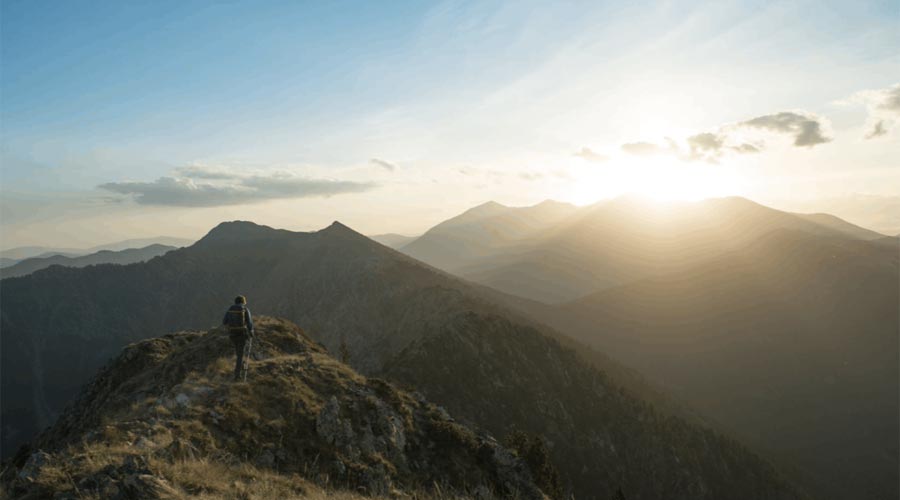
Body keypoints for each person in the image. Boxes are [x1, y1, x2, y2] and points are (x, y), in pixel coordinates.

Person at [223, 295, 255, 381]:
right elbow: (249, 323)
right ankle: (237, 375)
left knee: (239, 353)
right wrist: (251, 332)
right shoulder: (245, 309)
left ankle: (241, 368)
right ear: (243, 301)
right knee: (240, 355)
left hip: (233, 334)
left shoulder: (230, 309)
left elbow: (224, 321)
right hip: (242, 334)